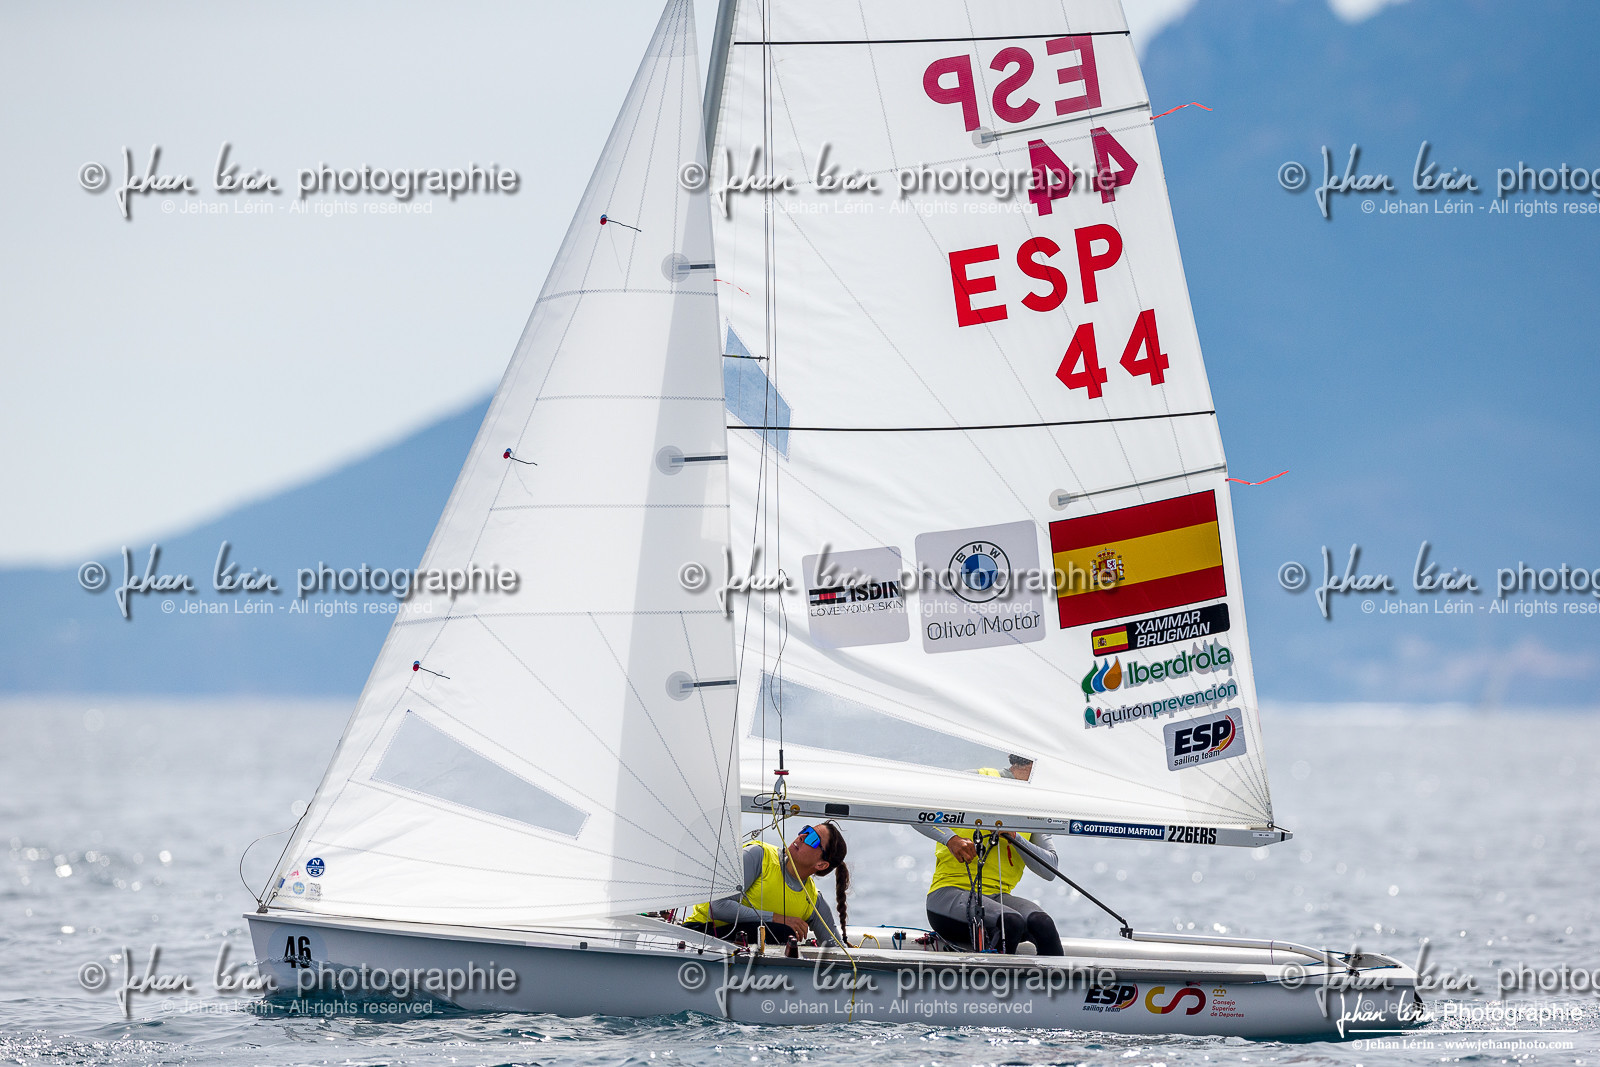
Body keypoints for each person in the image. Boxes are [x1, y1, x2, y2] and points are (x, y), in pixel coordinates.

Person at [916, 755, 1064, 955]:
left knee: (1043, 924)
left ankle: (1058, 986)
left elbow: (1050, 870)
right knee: (1010, 922)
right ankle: (995, 985)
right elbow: (917, 808)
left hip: (997, 899)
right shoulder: (978, 780)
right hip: (947, 898)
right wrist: (951, 840)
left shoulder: (1035, 808)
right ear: (1030, 765)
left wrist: (1015, 837)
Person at [683, 821, 850, 948]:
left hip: (740, 951)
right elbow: (717, 906)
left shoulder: (812, 900)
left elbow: (836, 948)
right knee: (783, 931)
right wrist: (778, 918)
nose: (802, 836)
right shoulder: (758, 856)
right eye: (806, 830)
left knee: (785, 936)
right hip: (698, 935)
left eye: (813, 838)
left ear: (821, 865)